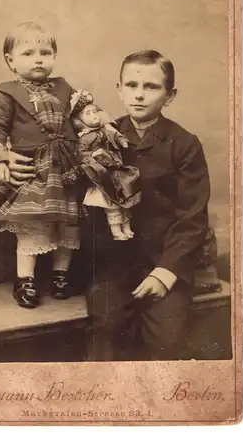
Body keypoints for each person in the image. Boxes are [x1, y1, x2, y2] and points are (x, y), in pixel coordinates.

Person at [84, 49, 211, 360]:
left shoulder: (184, 144)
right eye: (131, 85)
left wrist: (165, 273)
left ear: (170, 95)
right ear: (119, 89)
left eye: (151, 87)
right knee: (107, 330)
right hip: (115, 265)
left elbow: (192, 218)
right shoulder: (103, 138)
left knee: (166, 340)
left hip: (165, 260)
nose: (138, 95)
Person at [0, 21, 83, 308]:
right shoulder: (8, 91)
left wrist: (98, 124)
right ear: (10, 61)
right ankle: (25, 280)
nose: (38, 58)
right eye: (28, 53)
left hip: (65, 170)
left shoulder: (64, 88)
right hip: (34, 171)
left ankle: (61, 275)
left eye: (45, 52)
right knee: (32, 228)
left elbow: (82, 115)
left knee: (69, 226)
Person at [62, 89, 141, 240]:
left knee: (123, 199)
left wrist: (122, 141)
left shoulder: (106, 129)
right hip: (101, 173)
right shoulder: (85, 138)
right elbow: (80, 154)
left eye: (95, 112)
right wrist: (93, 156)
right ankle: (116, 230)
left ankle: (126, 227)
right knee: (111, 204)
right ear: (80, 121)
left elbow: (116, 135)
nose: (94, 116)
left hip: (115, 168)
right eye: (88, 114)